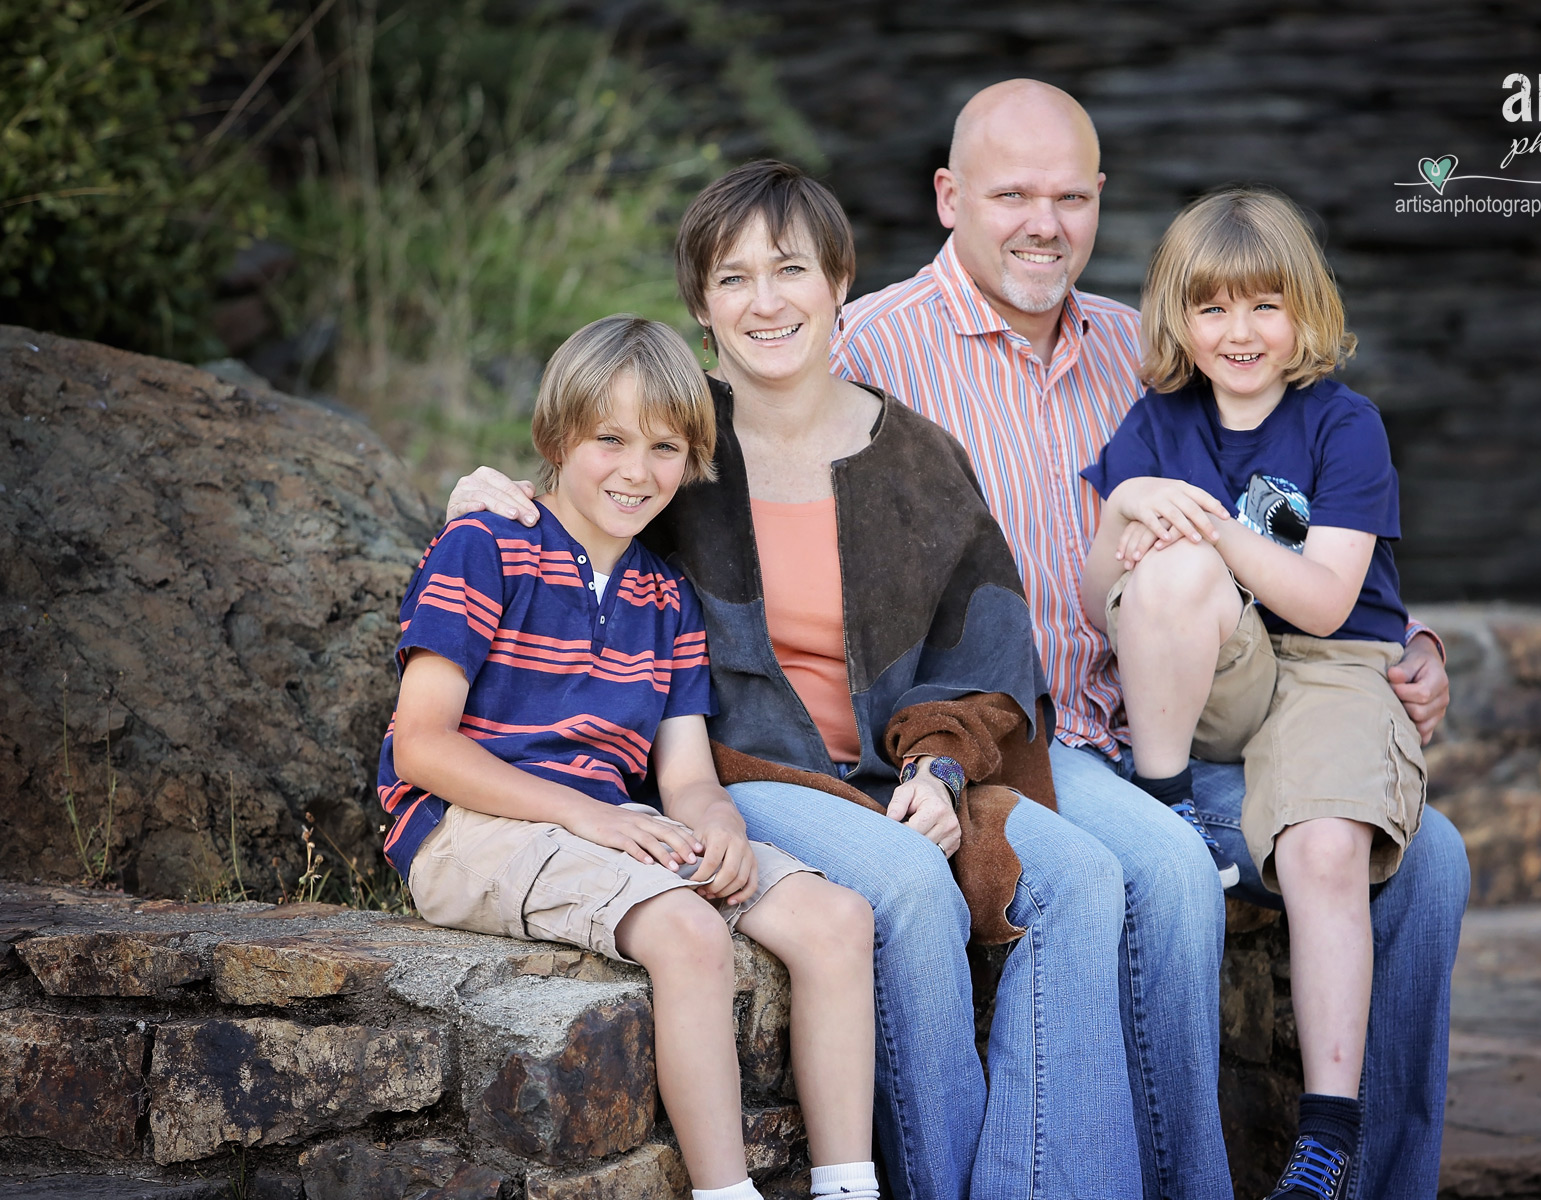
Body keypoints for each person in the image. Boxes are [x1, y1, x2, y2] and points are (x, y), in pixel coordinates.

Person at [450, 81, 1467, 1199]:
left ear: (1099, 204)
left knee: (1429, 862)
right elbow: (610, 462)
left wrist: (1395, 636)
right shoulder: (858, 347)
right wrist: (493, 488)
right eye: (1012, 193)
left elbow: (1286, 497)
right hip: (1015, 740)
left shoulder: (1155, 352)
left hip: (1137, 715)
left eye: (1068, 196)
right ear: (947, 198)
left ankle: (1369, 1183)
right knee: (1154, 872)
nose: (1043, 221)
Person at [382, 315, 881, 1200]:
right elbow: (421, 745)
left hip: (608, 829)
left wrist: (719, 823)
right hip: (472, 828)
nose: (635, 470)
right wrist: (588, 814)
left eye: (663, 448)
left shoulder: (667, 598)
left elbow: (684, 773)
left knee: (837, 922)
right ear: (556, 435)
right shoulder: (487, 545)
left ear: (690, 460)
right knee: (688, 932)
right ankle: (726, 1194)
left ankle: (850, 1187)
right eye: (608, 439)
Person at [1081, 185, 1427, 1200]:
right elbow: (1105, 598)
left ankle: (1326, 1138)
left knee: (1326, 848)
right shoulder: (1156, 423)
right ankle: (1168, 805)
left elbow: (1324, 603)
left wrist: (1215, 529)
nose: (1239, 331)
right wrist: (1130, 512)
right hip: (1218, 675)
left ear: (1305, 311)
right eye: (1213, 308)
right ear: (1179, 319)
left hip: (1332, 667)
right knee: (1169, 571)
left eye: (1264, 305)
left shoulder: (1344, 424)